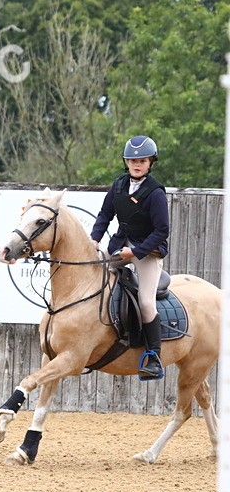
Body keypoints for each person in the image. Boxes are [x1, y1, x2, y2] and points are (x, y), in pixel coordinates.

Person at [89, 135, 170, 380]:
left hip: (147, 253)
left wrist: (135, 252)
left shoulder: (155, 192)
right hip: (120, 247)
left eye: (142, 161)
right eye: (133, 161)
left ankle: (153, 356)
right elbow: (105, 214)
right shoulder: (119, 185)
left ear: (150, 162)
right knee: (92, 275)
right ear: (126, 162)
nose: (137, 164)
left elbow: (162, 231)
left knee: (146, 302)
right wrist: (94, 239)